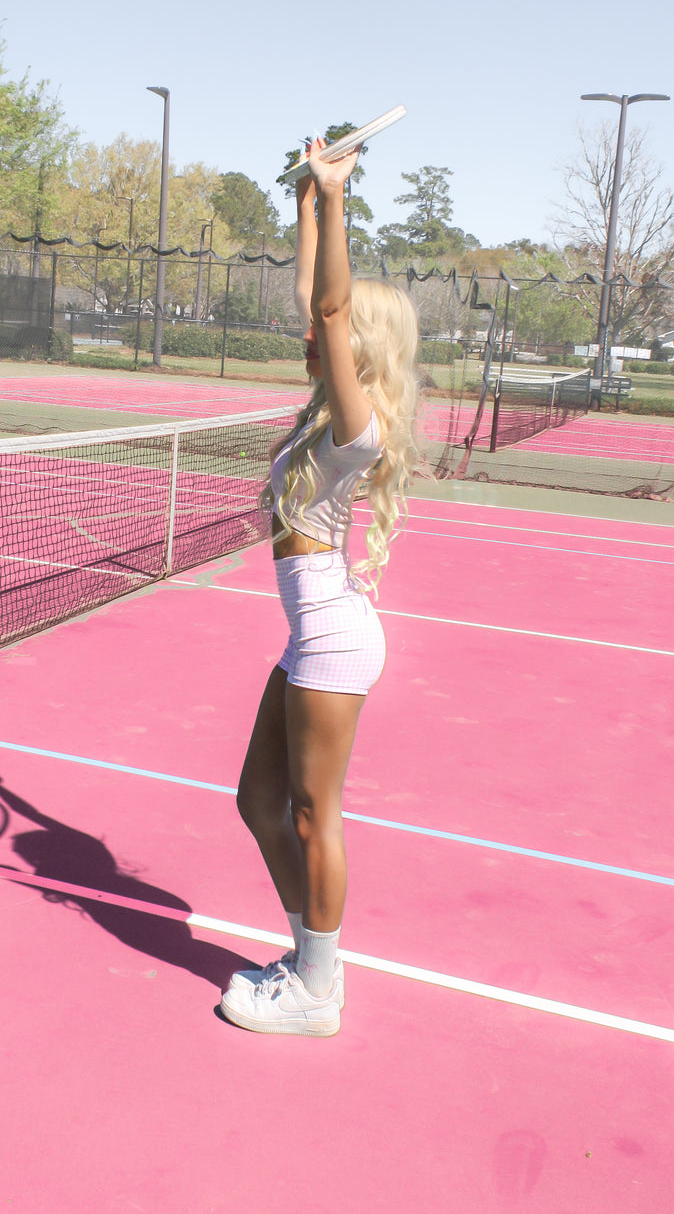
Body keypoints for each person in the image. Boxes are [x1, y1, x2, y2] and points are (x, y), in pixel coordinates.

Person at [219, 135, 420, 1037]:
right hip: (316, 638)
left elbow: (330, 310)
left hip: (335, 640)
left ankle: (318, 991)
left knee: (311, 815)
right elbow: (317, 298)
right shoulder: (320, 415)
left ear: (355, 349)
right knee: (257, 803)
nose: (307, 330)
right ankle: (308, 961)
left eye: (327, 333)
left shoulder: (354, 430)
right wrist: (306, 200)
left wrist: (339, 200)